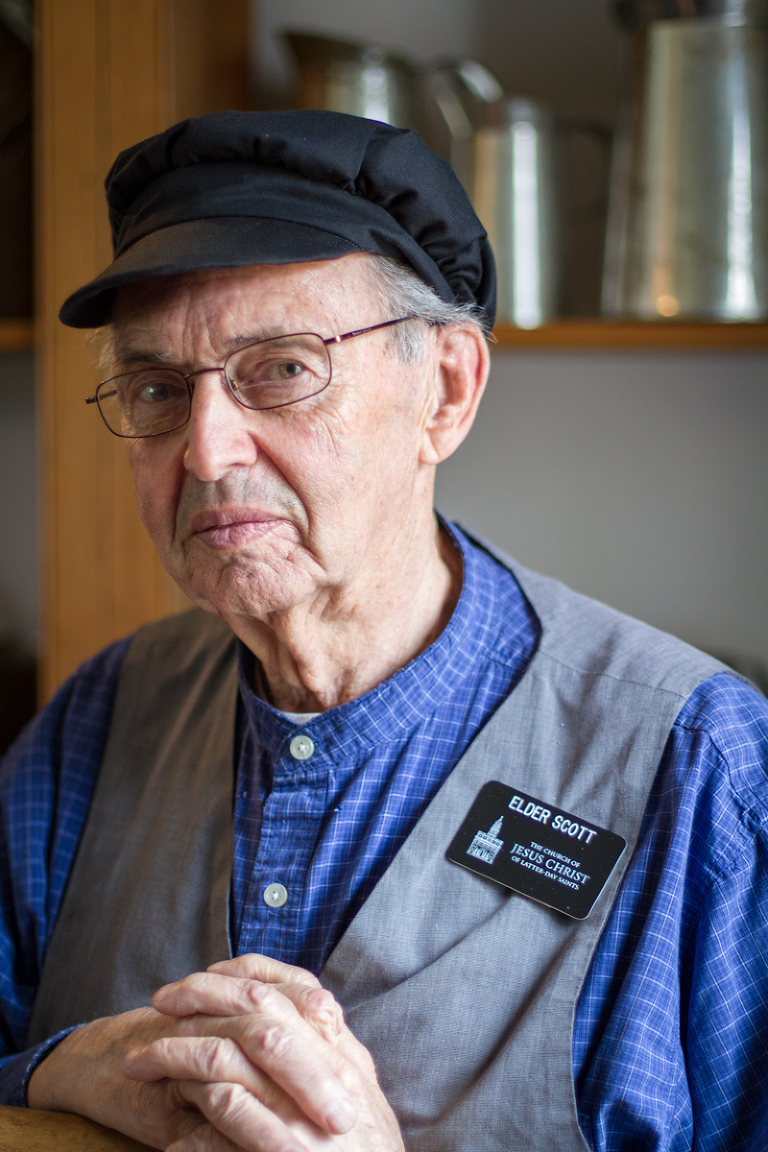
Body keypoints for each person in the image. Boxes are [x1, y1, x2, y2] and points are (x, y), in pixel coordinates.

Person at [1, 110, 767, 1152]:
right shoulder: (97, 719)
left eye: (279, 368)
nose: (209, 448)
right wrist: (68, 1064)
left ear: (444, 393)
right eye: (157, 389)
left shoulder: (697, 766)